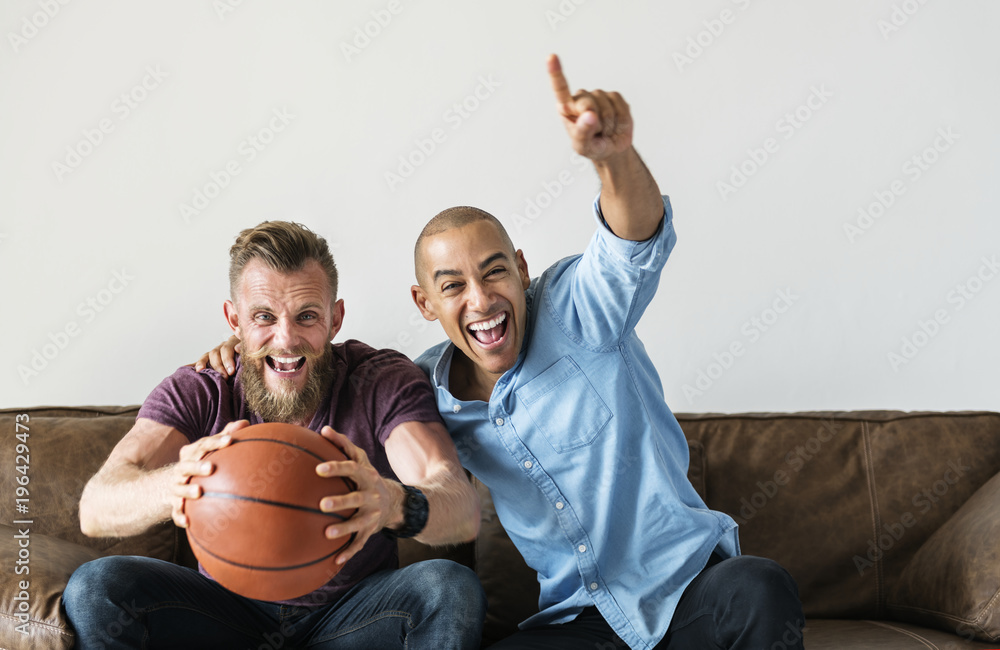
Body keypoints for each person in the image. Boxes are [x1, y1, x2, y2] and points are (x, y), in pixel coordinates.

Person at [200, 56, 805, 649]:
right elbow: (328, 387)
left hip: (691, 591)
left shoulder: (578, 311)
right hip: (580, 621)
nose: (482, 300)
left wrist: (613, 158)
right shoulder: (422, 391)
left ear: (521, 269)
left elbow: (632, 241)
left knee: (760, 585)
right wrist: (253, 347)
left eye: (495, 273)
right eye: (453, 285)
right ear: (424, 303)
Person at [64, 221, 486, 649]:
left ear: (335, 319)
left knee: (448, 587)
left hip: (354, 615)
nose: (286, 340)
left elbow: (461, 506)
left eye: (306, 316)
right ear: (234, 320)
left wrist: (393, 502)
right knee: (98, 587)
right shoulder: (202, 388)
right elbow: (96, 507)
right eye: (263, 317)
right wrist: (176, 485)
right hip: (223, 613)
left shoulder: (377, 379)